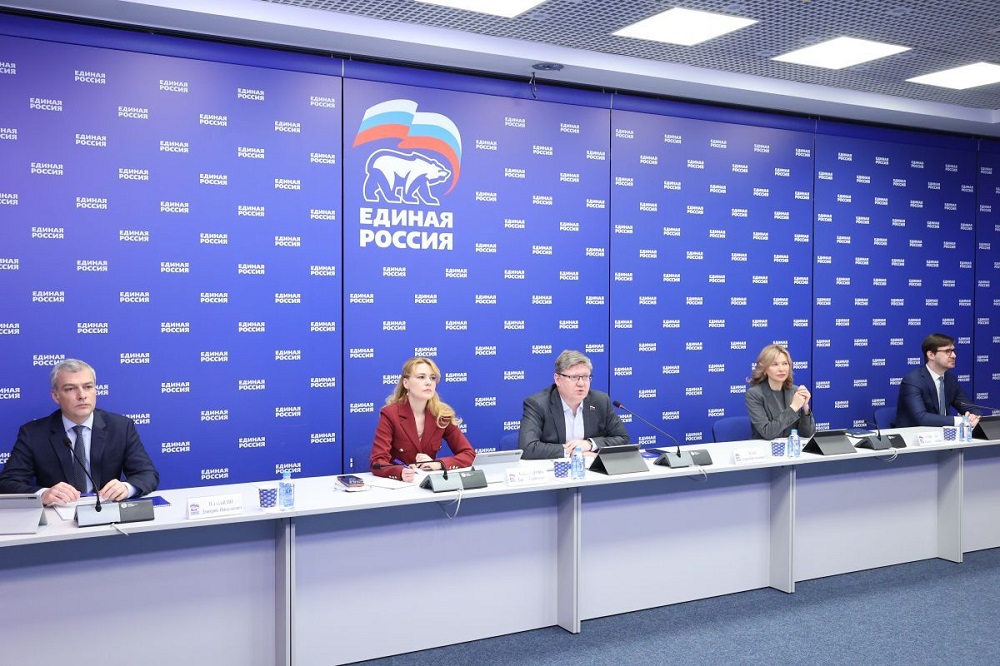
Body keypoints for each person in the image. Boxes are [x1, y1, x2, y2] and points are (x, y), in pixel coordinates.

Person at [0, 359, 159, 505]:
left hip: (107, 512)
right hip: (58, 515)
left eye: (88, 387)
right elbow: (7, 483)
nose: (82, 395)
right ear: (55, 396)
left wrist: (127, 488)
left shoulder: (121, 427)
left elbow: (147, 474)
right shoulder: (33, 433)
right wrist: (43, 494)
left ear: (95, 390)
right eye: (70, 389)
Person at [370, 357, 475, 481]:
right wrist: (400, 472)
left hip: (430, 483)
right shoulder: (390, 414)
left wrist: (438, 464)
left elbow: (468, 453)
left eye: (432, 378)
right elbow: (377, 462)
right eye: (421, 377)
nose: (428, 382)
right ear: (406, 383)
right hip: (400, 485)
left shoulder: (441, 415)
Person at [518, 349, 629, 460]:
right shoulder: (538, 404)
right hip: (555, 468)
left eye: (585, 377)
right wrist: (572, 452)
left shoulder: (601, 401)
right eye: (574, 377)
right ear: (557, 379)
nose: (581, 383)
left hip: (591, 468)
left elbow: (622, 438)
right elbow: (527, 448)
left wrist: (590, 444)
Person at [896, 333, 981, 428]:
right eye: (948, 351)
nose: (954, 355)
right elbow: (921, 418)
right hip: (914, 434)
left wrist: (974, 417)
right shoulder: (913, 380)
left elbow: (971, 408)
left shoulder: (950, 380)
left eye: (953, 351)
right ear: (931, 355)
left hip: (943, 434)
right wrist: (961, 421)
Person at [745, 344, 815, 440]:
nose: (781, 369)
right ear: (764, 369)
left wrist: (805, 408)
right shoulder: (754, 394)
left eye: (785, 363)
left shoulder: (795, 391)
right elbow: (767, 432)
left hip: (791, 447)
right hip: (766, 447)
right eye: (775, 364)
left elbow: (807, 434)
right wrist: (793, 407)